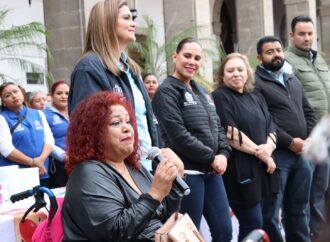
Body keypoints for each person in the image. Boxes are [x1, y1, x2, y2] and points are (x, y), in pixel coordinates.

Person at [62, 91, 184, 241]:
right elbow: (114, 232)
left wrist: (174, 180)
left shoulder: (134, 167)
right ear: (93, 132)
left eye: (128, 121)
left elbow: (165, 216)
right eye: (115, 123)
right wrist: (154, 195)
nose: (127, 128)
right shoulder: (88, 173)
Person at [152, 37, 233, 242]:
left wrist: (223, 153)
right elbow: (177, 135)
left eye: (197, 58)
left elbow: (217, 126)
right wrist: (211, 157)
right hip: (186, 174)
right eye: (187, 56)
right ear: (175, 56)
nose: (192, 62)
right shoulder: (166, 91)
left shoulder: (203, 91)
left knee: (224, 231)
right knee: (188, 236)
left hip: (212, 173)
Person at [68, 0, 157, 171]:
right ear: (107, 23)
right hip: (116, 171)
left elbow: (144, 120)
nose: (133, 24)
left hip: (143, 166)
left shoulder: (132, 69)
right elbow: (89, 129)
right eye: (127, 18)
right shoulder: (89, 68)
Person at [212, 53, 279, 241]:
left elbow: (271, 124)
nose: (236, 74)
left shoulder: (255, 96)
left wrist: (269, 147)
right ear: (222, 75)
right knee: (252, 223)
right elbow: (230, 133)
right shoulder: (220, 96)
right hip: (240, 170)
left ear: (247, 73)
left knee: (264, 223)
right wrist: (263, 154)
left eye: (240, 69)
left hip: (263, 170)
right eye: (230, 70)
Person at [254, 36, 316, 242]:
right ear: (259, 57)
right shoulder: (256, 83)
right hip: (278, 156)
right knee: (271, 213)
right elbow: (266, 121)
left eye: (278, 50)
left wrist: (309, 140)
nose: (276, 54)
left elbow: (308, 112)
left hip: (302, 155)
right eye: (269, 51)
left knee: (299, 209)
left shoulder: (292, 79)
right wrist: (290, 142)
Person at [284, 15, 330, 240]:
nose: (307, 38)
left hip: (327, 131)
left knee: (324, 188)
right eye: (301, 34)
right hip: (311, 135)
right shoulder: (287, 61)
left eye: (310, 33)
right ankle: (315, 234)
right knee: (314, 191)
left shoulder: (318, 58)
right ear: (291, 35)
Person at [0, 82, 54, 185]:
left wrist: (41, 160)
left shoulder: (38, 114)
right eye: (8, 95)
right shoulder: (2, 118)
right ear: (4, 102)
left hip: (42, 171)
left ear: (22, 93)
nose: (14, 96)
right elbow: (5, 148)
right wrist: (32, 163)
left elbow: (49, 139)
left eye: (16, 91)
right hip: (17, 176)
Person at [44, 80, 70, 188]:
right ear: (52, 95)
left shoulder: (76, 111)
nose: (64, 96)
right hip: (58, 164)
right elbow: (46, 141)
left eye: (67, 93)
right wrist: (64, 156)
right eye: (59, 93)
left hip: (79, 161)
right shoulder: (45, 115)